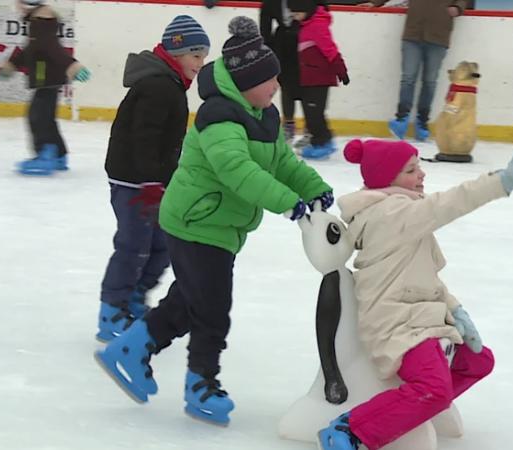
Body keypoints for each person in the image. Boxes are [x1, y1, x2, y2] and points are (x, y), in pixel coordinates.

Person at [95, 16, 334, 427]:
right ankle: (201, 383)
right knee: (212, 310)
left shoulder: (264, 116)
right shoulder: (219, 118)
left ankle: (131, 349)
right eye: (267, 80)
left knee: (189, 300)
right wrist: (289, 204)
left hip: (220, 226)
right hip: (195, 223)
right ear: (243, 85)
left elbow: (282, 163)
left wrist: (314, 188)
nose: (275, 86)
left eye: (276, 77)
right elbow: (238, 171)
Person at [319, 139, 513, 450]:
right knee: (434, 388)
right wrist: (501, 181)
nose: (421, 175)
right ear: (387, 179)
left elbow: (422, 277)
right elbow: (448, 204)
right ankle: (351, 429)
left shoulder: (399, 213)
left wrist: (456, 309)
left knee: (478, 361)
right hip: (396, 324)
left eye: (419, 167)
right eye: (411, 170)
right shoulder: (392, 214)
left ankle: (415, 409)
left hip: (418, 317)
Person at [96, 15, 211, 342]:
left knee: (162, 245)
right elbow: (143, 137)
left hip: (155, 181)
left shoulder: (171, 84)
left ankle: (134, 297)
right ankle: (111, 310)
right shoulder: (158, 86)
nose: (200, 63)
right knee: (133, 246)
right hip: (135, 181)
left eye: (203, 56)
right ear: (176, 52)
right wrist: (149, 181)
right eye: (195, 55)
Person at [0, 0, 90, 176]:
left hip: (47, 77)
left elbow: (53, 49)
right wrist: (12, 64)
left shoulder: (41, 24)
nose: (17, 7)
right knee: (46, 117)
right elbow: (30, 50)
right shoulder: (39, 23)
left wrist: (72, 66)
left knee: (37, 116)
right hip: (49, 77)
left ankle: (45, 154)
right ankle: (59, 155)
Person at [368, 0, 467, 142]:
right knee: (408, 78)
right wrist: (374, 3)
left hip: (438, 36)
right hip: (413, 34)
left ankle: (422, 122)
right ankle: (401, 119)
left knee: (430, 81)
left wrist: (458, 8)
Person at [289, 0, 349, 159]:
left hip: (319, 78)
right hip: (309, 77)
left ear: (306, 10)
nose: (295, 17)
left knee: (314, 113)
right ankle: (321, 140)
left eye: (297, 13)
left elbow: (331, 50)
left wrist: (341, 71)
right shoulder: (306, 24)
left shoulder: (317, 26)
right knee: (312, 112)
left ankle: (323, 143)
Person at [260, 0, 301, 143]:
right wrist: (268, 49)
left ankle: (311, 127)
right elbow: (265, 25)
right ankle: (288, 124)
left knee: (308, 86)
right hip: (283, 44)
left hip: (306, 39)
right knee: (286, 85)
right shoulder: (271, 3)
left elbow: (321, 8)